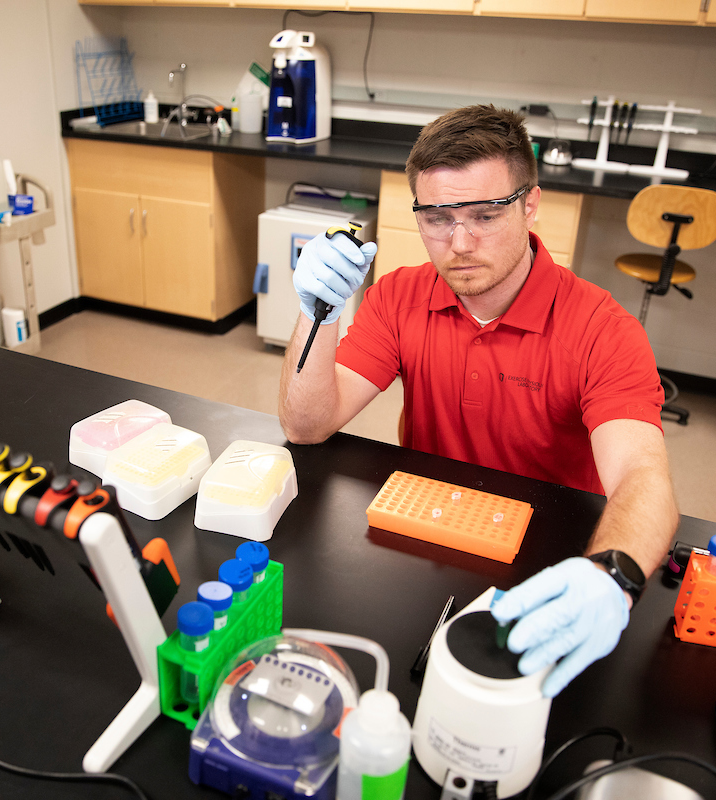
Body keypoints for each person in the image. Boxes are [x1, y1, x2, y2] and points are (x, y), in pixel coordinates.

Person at [278, 105, 679, 698]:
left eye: (485, 215)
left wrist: (610, 574)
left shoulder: (602, 329)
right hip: (427, 539)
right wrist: (318, 316)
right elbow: (307, 425)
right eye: (437, 218)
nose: (459, 244)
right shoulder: (399, 296)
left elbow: (644, 477)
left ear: (530, 204)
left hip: (552, 561)